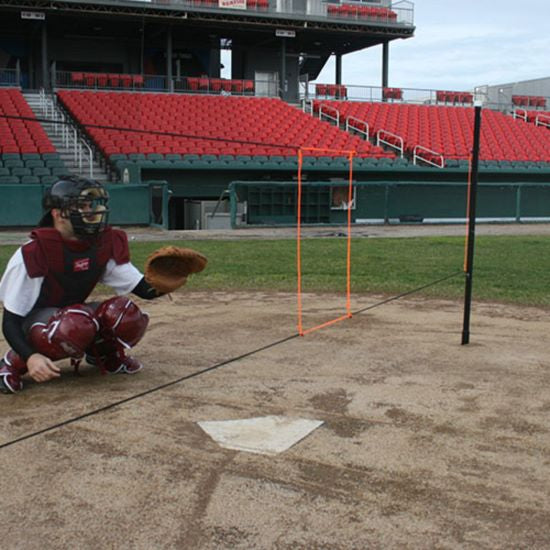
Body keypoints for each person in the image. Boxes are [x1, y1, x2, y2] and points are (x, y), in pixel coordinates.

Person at [0, 176, 162, 394]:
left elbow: (144, 289)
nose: (90, 211)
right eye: (81, 206)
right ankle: (11, 363)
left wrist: (171, 279)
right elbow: (10, 321)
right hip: (36, 322)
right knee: (75, 322)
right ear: (58, 214)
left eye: (90, 205)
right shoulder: (34, 252)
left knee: (124, 313)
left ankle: (103, 355)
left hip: (73, 314)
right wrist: (31, 356)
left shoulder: (101, 244)